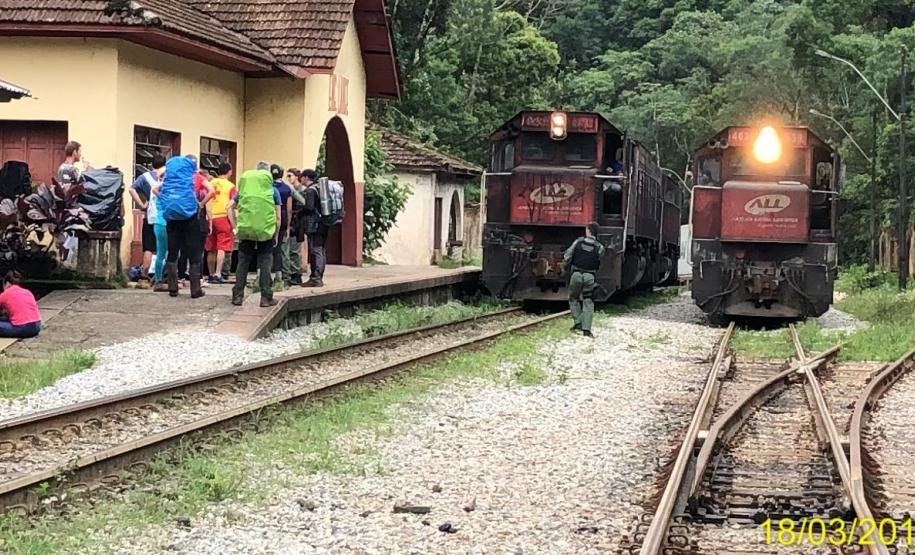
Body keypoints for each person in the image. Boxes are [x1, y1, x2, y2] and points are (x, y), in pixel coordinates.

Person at [154, 155, 206, 298]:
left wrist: (164, 200)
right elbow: (211, 190)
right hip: (190, 218)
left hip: (172, 218)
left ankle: (172, 288)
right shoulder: (193, 178)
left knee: (172, 251)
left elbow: (155, 189)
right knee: (194, 252)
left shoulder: (168, 179)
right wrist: (199, 205)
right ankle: (195, 290)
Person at [228, 164, 281, 307]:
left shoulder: (243, 190)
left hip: (246, 230)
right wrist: (275, 234)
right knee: (265, 262)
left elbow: (229, 207)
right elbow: (278, 217)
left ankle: (237, 296)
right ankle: (266, 297)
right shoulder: (273, 191)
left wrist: (235, 228)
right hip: (266, 231)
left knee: (243, 262)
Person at [563, 222, 605, 338]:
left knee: (573, 298)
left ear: (588, 231)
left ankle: (578, 323)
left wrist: (566, 265)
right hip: (590, 276)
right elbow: (600, 259)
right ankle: (586, 330)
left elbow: (567, 256)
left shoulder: (578, 242)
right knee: (588, 301)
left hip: (576, 274)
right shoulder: (600, 247)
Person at [129, 154, 166, 281]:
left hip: (150, 216)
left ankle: (144, 276)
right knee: (164, 248)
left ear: (152, 165)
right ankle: (163, 275)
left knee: (149, 247)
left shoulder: (144, 177)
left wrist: (141, 204)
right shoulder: (168, 177)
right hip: (165, 217)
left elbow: (131, 189)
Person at [206, 162, 236, 284]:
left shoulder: (210, 183)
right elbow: (233, 204)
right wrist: (234, 224)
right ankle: (218, 273)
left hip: (210, 217)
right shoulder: (230, 186)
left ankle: (211, 273)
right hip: (223, 217)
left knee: (211, 248)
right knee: (222, 247)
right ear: (229, 171)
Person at [301, 169, 327, 287]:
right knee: (321, 250)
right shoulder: (320, 188)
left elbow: (309, 207)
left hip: (314, 225)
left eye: (302, 177)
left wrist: (300, 212)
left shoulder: (310, 190)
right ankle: (319, 276)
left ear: (306, 177)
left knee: (316, 250)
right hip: (324, 223)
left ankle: (316, 278)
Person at [270, 164, 293, 285]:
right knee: (280, 248)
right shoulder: (286, 188)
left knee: (266, 248)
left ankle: (264, 274)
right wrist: (288, 227)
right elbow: (289, 209)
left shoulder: (268, 187)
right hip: (282, 217)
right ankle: (282, 276)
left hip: (268, 218)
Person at [0, 271, 41, 338]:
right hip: (36, 326)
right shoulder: (27, 292)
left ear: (7, 283)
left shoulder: (5, 294)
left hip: (22, 328)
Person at [287, 168, 309, 285]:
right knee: (291, 248)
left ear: (296, 177)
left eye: (290, 176)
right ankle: (292, 272)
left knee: (295, 249)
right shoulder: (290, 189)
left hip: (297, 221)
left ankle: (296, 273)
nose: (288, 178)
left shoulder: (301, 190)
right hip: (293, 221)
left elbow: (303, 204)